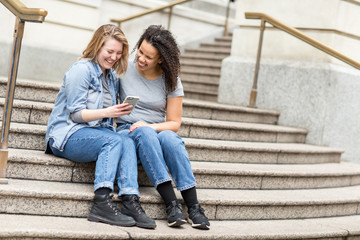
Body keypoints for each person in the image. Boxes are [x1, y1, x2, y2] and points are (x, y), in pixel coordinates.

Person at [45, 24, 156, 229]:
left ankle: (130, 200)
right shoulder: (82, 69)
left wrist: (120, 112)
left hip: (94, 133)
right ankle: (101, 202)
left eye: (118, 53)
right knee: (114, 140)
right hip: (66, 134)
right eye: (109, 51)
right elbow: (76, 115)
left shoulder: (110, 76)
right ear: (97, 47)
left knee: (126, 140)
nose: (113, 57)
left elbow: (103, 120)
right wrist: (108, 112)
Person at [116, 25, 210, 230]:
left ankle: (194, 207)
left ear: (160, 59)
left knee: (170, 138)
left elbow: (174, 123)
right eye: (140, 52)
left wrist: (149, 125)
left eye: (148, 57)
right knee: (145, 133)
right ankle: (171, 204)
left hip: (155, 131)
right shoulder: (123, 69)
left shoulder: (171, 79)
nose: (141, 59)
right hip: (129, 131)